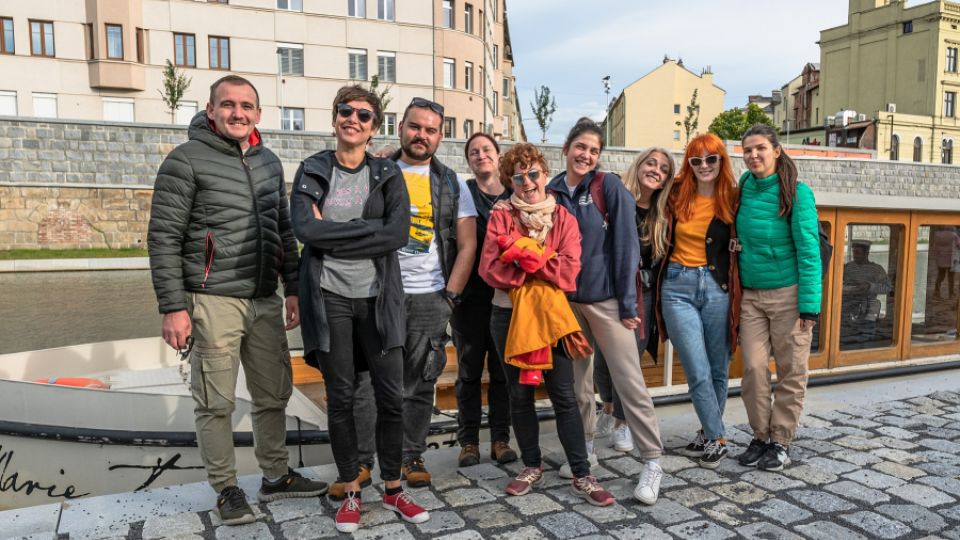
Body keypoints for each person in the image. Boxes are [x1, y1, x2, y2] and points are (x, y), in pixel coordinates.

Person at [147, 75, 328, 526]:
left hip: (264, 298)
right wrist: (173, 307)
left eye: (246, 106)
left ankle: (276, 475)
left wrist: (292, 289)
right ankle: (226, 488)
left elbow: (283, 231)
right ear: (211, 110)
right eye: (228, 105)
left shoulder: (268, 161)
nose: (238, 113)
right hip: (212, 299)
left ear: (259, 115)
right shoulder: (185, 160)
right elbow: (163, 238)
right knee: (215, 401)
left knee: (273, 394)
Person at [289, 85, 429, 533]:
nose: (353, 119)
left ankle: (392, 487)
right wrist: (361, 230)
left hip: (378, 299)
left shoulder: (387, 173)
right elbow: (305, 229)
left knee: (391, 397)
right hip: (329, 299)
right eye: (346, 111)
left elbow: (396, 234)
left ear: (374, 127)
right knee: (343, 399)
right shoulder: (312, 169)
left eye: (364, 115)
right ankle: (350, 488)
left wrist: (338, 231)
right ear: (334, 118)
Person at [480, 143, 614, 507]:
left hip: (553, 318)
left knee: (564, 396)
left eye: (533, 173)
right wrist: (543, 257)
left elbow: (568, 273)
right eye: (518, 177)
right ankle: (531, 465)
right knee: (518, 395)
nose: (527, 182)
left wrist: (521, 253)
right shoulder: (500, 216)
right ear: (510, 181)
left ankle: (581, 472)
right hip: (507, 315)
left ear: (543, 171)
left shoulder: (564, 218)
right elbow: (491, 270)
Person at [546, 118, 665, 505]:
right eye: (580, 147)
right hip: (567, 302)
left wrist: (629, 304)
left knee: (628, 379)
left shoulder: (607, 186)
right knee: (579, 383)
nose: (586, 155)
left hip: (607, 300)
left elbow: (627, 247)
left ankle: (652, 461)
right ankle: (585, 449)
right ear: (566, 148)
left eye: (594, 150)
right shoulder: (550, 192)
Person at [391, 98, 478, 487]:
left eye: (429, 129)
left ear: (440, 137)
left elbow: (468, 245)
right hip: (382, 293)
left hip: (431, 295)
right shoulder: (379, 172)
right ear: (401, 128)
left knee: (421, 381)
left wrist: (450, 297)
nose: (421, 135)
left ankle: (411, 456)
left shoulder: (452, 182)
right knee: (375, 379)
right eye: (415, 126)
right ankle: (367, 458)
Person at [736, 124, 821, 472]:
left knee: (790, 371)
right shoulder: (743, 188)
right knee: (754, 369)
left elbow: (809, 251)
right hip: (751, 296)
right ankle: (760, 435)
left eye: (760, 149)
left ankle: (780, 441)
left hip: (789, 294)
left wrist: (809, 306)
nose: (753, 156)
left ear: (776, 150)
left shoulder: (796, 194)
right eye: (747, 151)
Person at [655, 134, 740, 469]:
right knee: (696, 367)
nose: (704, 166)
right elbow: (640, 191)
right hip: (677, 286)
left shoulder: (734, 198)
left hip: (717, 286)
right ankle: (718, 438)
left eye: (711, 159)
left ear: (721, 161)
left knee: (719, 368)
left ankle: (707, 433)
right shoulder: (676, 193)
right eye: (696, 160)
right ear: (688, 164)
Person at [594, 147, 675, 453]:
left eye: (663, 168)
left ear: (667, 178)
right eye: (651, 163)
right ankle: (609, 408)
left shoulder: (662, 212)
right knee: (602, 359)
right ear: (639, 165)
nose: (655, 169)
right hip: (608, 290)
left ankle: (622, 423)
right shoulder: (616, 197)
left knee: (628, 362)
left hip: (643, 294)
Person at [453, 132, 518, 467]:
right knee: (468, 372)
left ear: (498, 155)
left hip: (504, 299)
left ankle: (500, 438)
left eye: (486, 150)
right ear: (469, 160)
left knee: (502, 371)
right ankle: (468, 441)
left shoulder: (513, 194)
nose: (481, 156)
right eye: (474, 152)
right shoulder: (462, 193)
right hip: (469, 298)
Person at [840, 240, 892, 345]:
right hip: (848, 307)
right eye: (854, 252)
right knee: (846, 336)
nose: (855, 256)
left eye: (858, 253)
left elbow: (888, 288)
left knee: (866, 337)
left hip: (869, 307)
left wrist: (870, 286)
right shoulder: (848, 267)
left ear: (866, 253)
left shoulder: (876, 269)